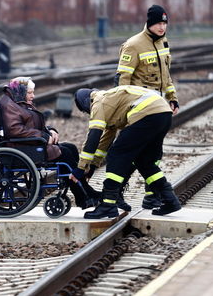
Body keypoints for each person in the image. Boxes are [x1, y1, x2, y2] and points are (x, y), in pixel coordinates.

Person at [72, 86, 181, 219]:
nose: (88, 113)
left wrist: (80, 168)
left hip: (147, 114)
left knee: (116, 155)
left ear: (85, 103)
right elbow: (103, 143)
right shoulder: (110, 101)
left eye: (85, 111)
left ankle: (108, 204)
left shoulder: (98, 102)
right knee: (144, 161)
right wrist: (92, 167)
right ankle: (170, 199)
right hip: (163, 114)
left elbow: (93, 137)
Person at [113, 4, 179, 210]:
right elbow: (122, 79)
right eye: (158, 23)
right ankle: (118, 192)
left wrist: (172, 97)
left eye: (164, 23)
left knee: (154, 154)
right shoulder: (133, 45)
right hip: (139, 108)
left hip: (159, 108)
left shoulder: (163, 43)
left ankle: (152, 196)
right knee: (134, 152)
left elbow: (165, 75)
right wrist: (123, 108)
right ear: (149, 23)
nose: (162, 27)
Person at [0, 77, 99, 208]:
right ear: (21, 91)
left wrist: (50, 130)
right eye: (30, 93)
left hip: (31, 144)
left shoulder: (19, 101)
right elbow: (14, 130)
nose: (33, 96)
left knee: (71, 148)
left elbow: (33, 124)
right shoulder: (10, 105)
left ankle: (83, 192)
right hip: (22, 148)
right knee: (66, 153)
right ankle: (83, 195)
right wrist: (43, 136)